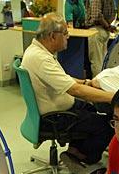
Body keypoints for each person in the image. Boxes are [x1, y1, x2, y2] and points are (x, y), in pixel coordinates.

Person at [21, 12, 114, 165]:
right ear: (52, 36)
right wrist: (113, 96)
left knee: (90, 108)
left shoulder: (37, 51)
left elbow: (62, 79)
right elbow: (74, 90)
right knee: (105, 125)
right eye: (65, 33)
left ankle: (75, 151)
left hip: (51, 108)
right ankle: (85, 159)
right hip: (54, 117)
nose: (68, 37)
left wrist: (86, 82)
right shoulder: (41, 59)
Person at [84, 0, 116, 77]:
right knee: (103, 61)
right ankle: (104, 82)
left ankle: (97, 86)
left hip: (96, 31)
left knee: (96, 62)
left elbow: (96, 15)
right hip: (105, 32)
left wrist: (106, 25)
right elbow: (113, 12)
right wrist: (108, 26)